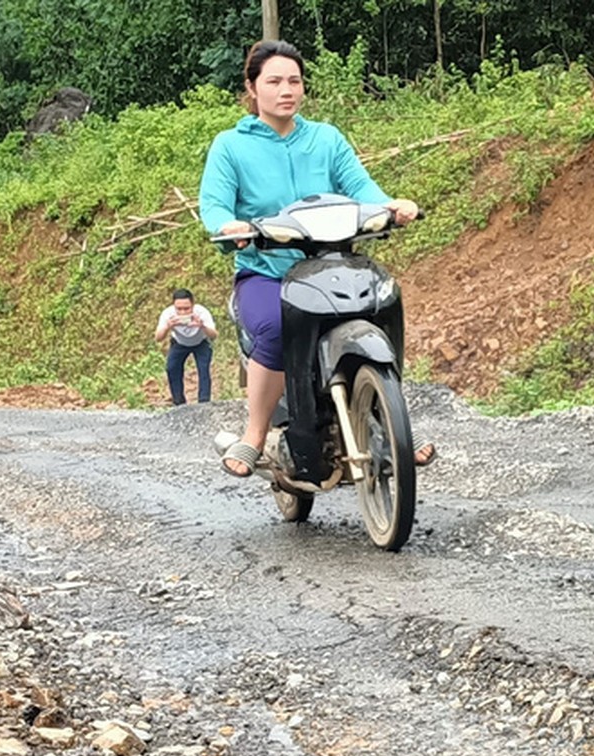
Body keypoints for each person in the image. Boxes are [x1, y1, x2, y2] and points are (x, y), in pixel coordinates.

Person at [199, 39, 436, 477]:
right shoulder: (230, 146)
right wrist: (229, 227)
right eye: (273, 81)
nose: (285, 89)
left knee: (382, 306)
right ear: (252, 88)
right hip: (266, 272)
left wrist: (390, 206)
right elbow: (213, 206)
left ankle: (394, 418)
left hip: (333, 266)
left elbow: (362, 188)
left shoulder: (326, 139)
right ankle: (254, 435)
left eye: (294, 80)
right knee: (273, 328)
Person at [154, 288, 217, 405]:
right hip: (179, 343)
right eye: (179, 309)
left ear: (193, 305)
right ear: (174, 306)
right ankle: (179, 402)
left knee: (204, 370)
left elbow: (214, 335)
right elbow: (158, 337)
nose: (183, 312)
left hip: (201, 342)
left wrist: (202, 326)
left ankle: (204, 403)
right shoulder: (168, 314)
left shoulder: (202, 312)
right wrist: (168, 326)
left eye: (186, 309)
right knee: (172, 368)